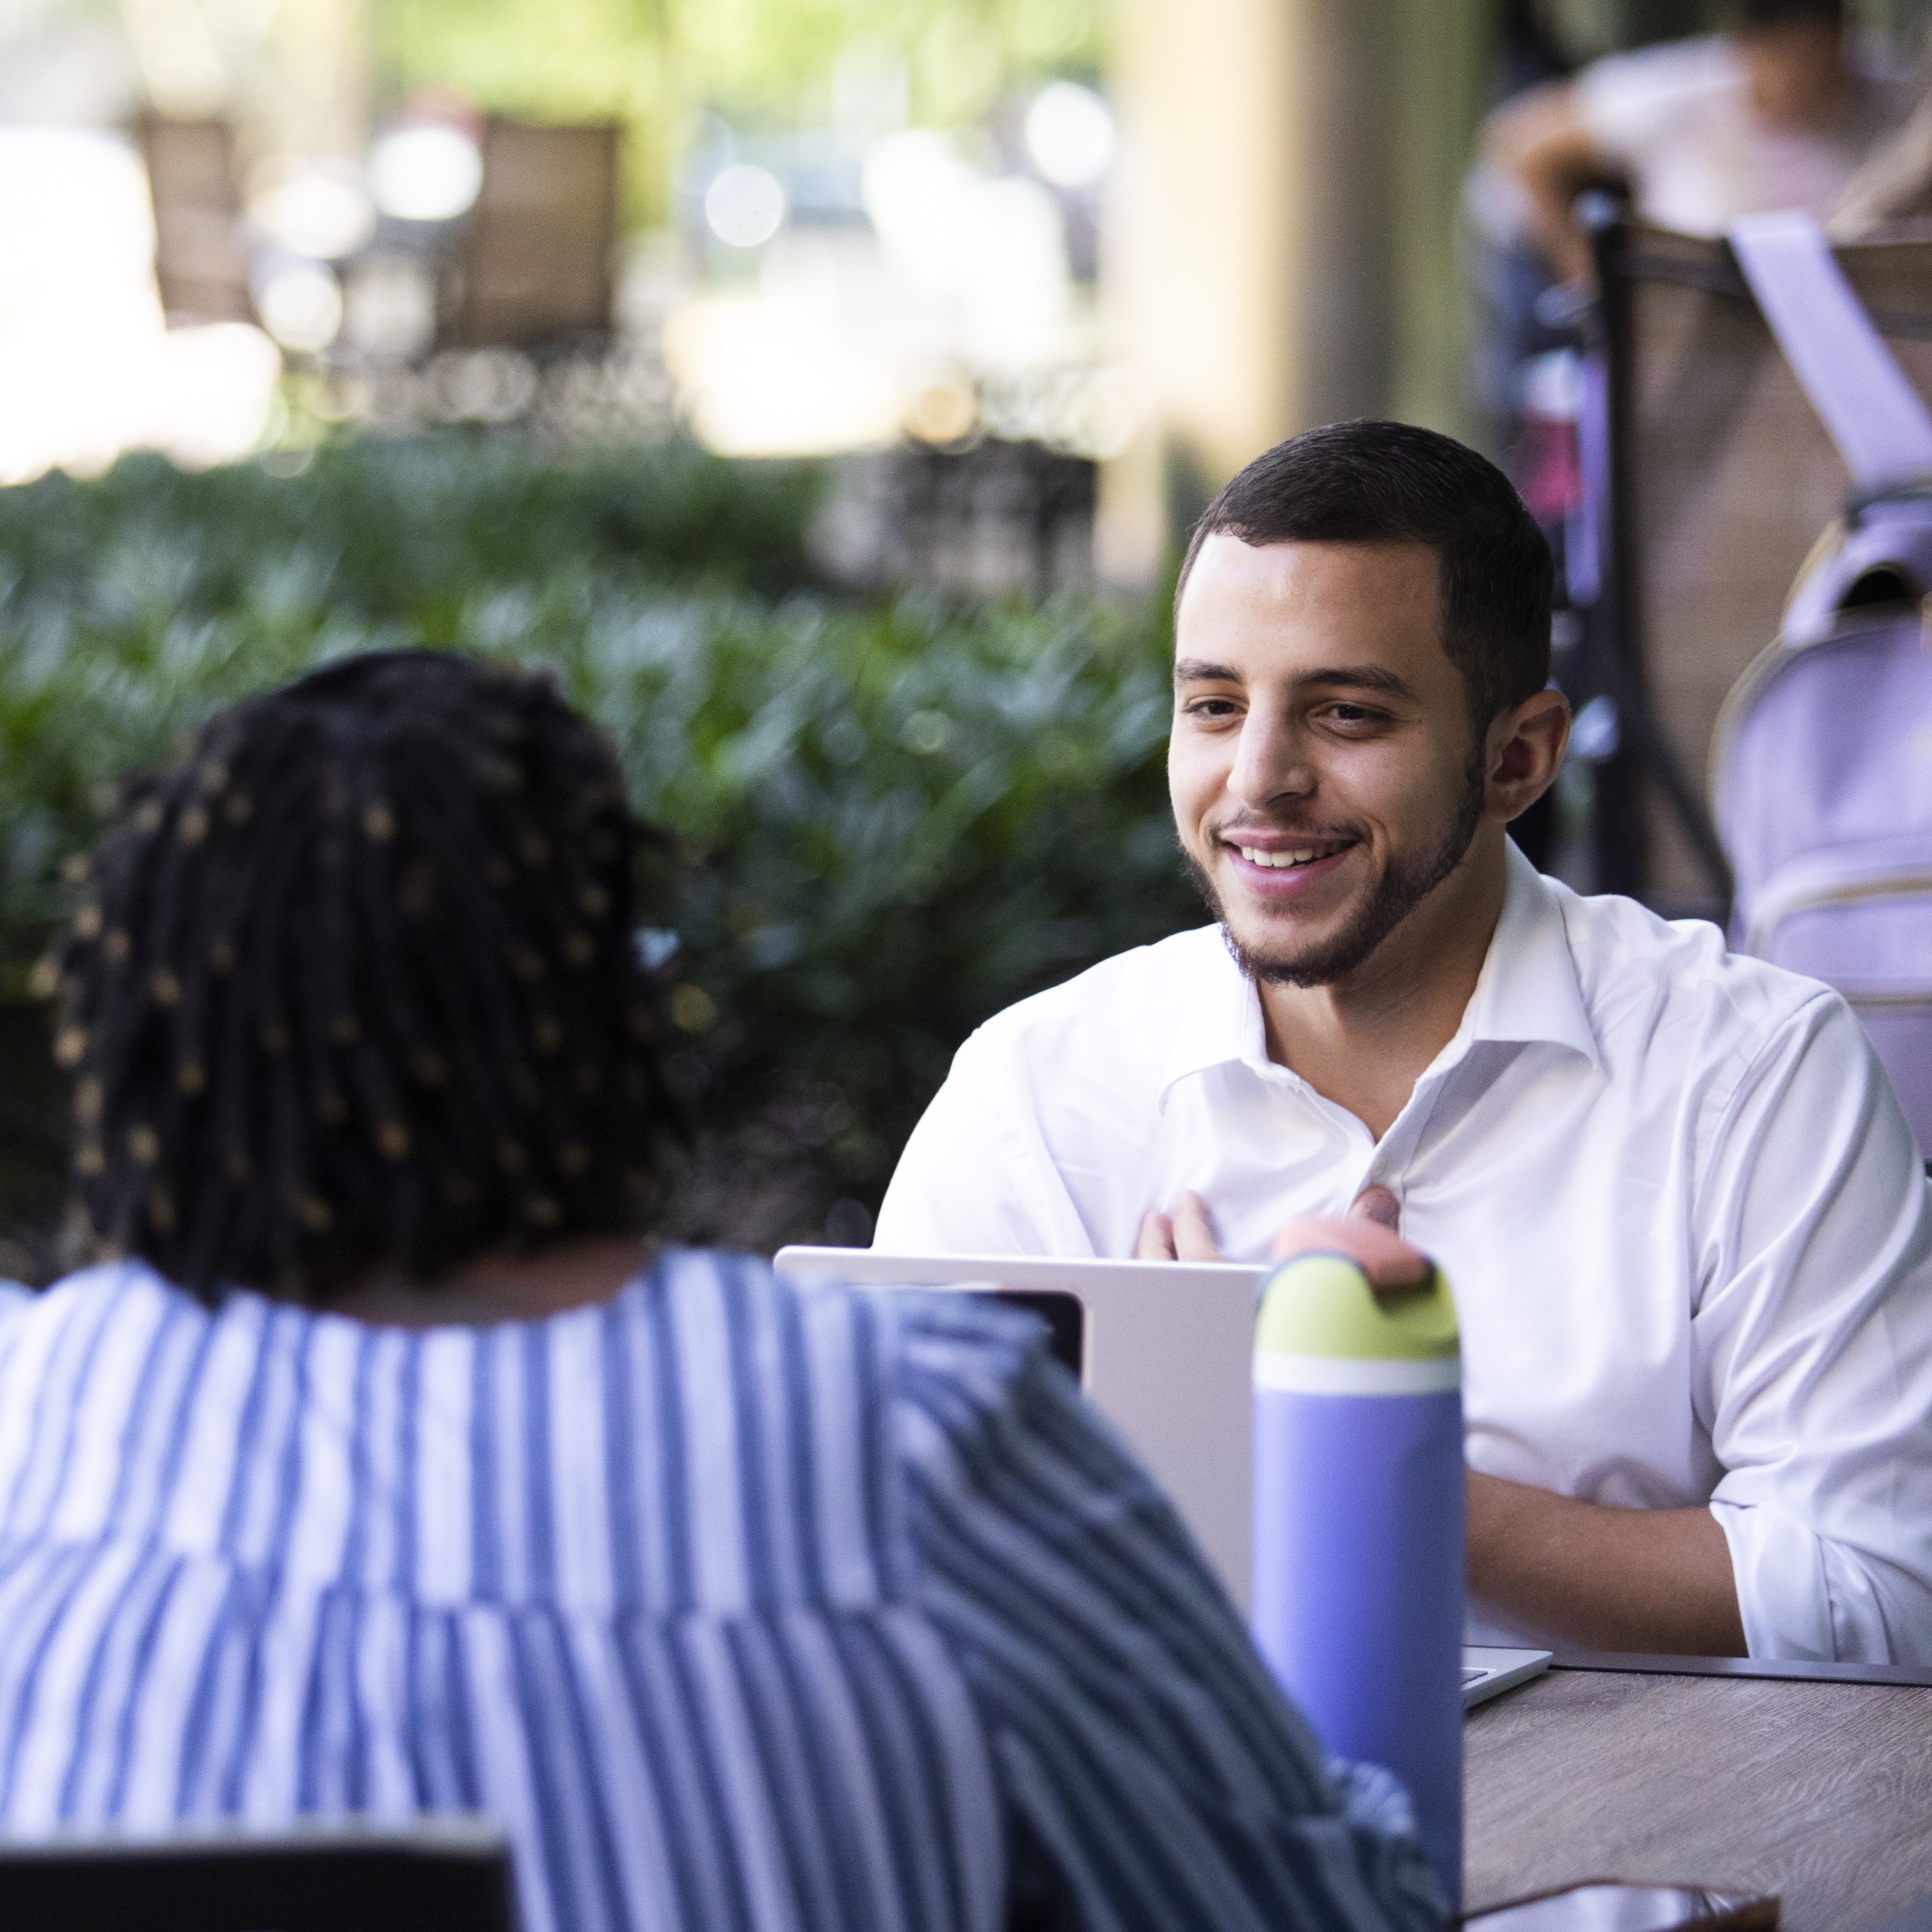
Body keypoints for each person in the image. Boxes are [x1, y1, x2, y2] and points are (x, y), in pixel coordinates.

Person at [0, 650, 1443, 1932]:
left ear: (141, 1048)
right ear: (615, 1019)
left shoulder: (32, 1414)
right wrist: (1324, 1432)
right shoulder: (911, 1431)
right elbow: (1330, 1908)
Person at [875, 420, 1932, 1668]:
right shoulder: (1041, 1094)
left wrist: (1360, 1461)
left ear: (1518, 758)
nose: (1257, 778)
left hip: (1646, 1850)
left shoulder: (1755, 1073)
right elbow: (888, 1582)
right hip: (1176, 1846)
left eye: (1347, 714)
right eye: (1213, 705)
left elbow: (1880, 1595)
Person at [1481, 0, 1911, 288]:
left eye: (1828, 60)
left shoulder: (1894, 97)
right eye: (1794, 64)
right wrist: (1598, 290)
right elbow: (1523, 146)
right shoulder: (1679, 94)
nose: (1814, 83)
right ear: (1748, 48)